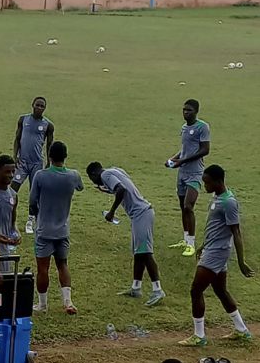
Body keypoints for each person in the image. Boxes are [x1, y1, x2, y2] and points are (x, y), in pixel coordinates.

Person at [179, 165, 253, 346]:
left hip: (217, 252)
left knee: (196, 290)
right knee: (220, 290)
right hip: (212, 248)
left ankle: (199, 335)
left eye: (207, 182)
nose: (204, 186)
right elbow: (216, 226)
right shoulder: (217, 196)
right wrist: (203, 245)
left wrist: (241, 262)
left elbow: (236, 233)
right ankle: (241, 330)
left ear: (218, 182)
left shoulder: (229, 202)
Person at [86, 163, 165, 307]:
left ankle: (157, 290)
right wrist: (109, 190)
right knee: (138, 253)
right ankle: (136, 288)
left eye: (92, 179)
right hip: (139, 215)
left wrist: (112, 212)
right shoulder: (114, 169)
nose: (94, 182)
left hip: (141, 214)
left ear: (93, 174)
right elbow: (124, 186)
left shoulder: (105, 175)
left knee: (145, 253)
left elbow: (121, 189)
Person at [28, 141, 83, 315]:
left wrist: (38, 216)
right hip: (62, 230)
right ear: (65, 157)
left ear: (49, 156)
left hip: (44, 229)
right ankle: (67, 301)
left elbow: (32, 202)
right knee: (62, 265)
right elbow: (80, 187)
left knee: (42, 269)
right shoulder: (73, 175)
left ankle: (42, 304)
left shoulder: (41, 176)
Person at [165, 99, 210, 258]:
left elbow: (205, 150)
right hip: (182, 173)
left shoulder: (202, 127)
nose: (185, 113)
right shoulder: (184, 128)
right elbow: (184, 149)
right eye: (184, 110)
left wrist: (183, 161)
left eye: (189, 110)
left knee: (188, 206)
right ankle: (185, 240)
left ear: (196, 111)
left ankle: (191, 243)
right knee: (182, 206)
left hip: (194, 172)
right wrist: (173, 159)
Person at [12, 97, 54, 234]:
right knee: (12, 189)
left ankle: (31, 220)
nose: (39, 108)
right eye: (37, 105)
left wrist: (49, 161)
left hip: (37, 163)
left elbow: (49, 145)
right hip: (22, 162)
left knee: (34, 194)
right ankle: (8, 217)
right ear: (33, 105)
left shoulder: (48, 125)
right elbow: (17, 138)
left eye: (42, 106)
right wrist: (15, 156)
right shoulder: (23, 120)